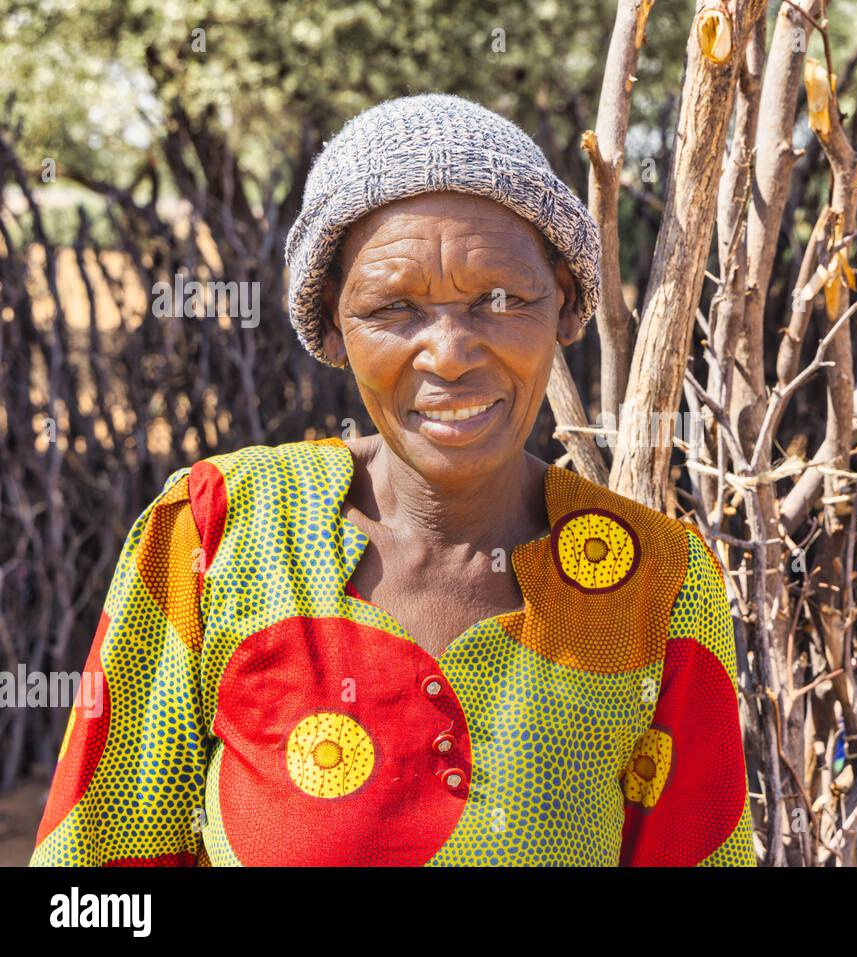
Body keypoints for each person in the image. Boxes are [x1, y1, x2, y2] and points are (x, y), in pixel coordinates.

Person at [30, 93, 755, 866]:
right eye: (393, 307)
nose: (448, 353)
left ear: (565, 306)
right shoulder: (218, 535)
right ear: (334, 327)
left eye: (500, 299)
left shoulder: (656, 586)